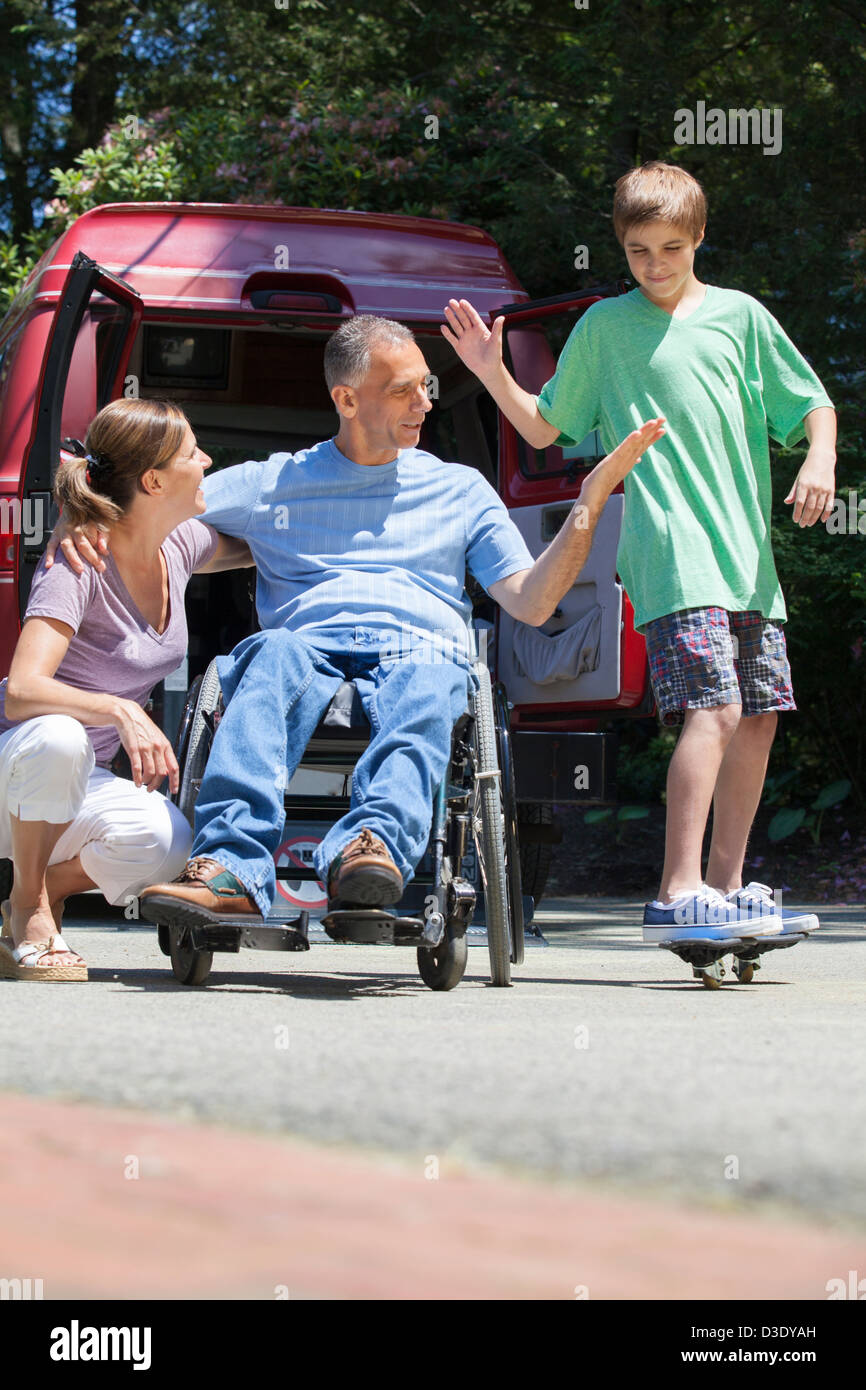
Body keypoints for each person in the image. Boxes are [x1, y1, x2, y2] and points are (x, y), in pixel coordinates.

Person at [52, 316, 662, 930]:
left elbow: (530, 602)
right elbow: (149, 497)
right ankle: (230, 866)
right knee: (267, 656)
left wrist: (588, 504)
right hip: (303, 646)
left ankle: (369, 847)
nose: (424, 403)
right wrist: (82, 517)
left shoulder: (462, 489)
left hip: (420, 648)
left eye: (427, 386)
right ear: (345, 399)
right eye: (403, 390)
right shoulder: (276, 481)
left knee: (431, 678)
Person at [442, 162, 837, 941]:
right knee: (715, 709)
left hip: (748, 559)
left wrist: (818, 460)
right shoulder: (604, 328)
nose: (654, 265)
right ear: (620, 248)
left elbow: (812, 402)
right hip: (669, 550)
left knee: (758, 718)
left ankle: (721, 888)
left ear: (699, 240)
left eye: (671, 249)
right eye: (637, 251)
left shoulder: (741, 318)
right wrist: (491, 372)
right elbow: (545, 429)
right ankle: (674, 889)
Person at [0, 398, 253, 980]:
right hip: (22, 766)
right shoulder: (79, 562)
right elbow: (21, 689)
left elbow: (259, 547)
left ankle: (33, 890)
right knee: (61, 737)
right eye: (194, 453)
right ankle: (31, 912)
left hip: (75, 783)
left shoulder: (179, 546)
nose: (208, 460)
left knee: (168, 842)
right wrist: (118, 709)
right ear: (154, 479)